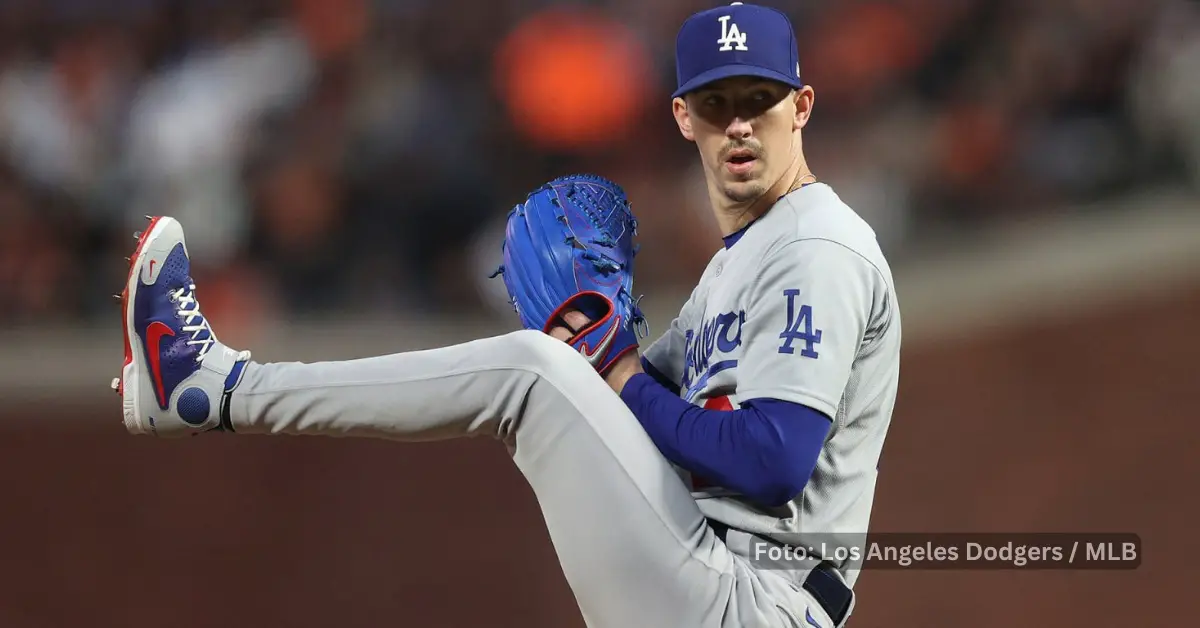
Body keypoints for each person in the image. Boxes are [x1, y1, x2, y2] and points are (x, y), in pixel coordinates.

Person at [112, 3, 900, 627]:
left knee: (532, 372)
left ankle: (211, 387)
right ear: (683, 117)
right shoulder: (737, 263)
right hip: (700, 572)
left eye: (759, 99)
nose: (738, 123)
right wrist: (605, 358)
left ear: (800, 107)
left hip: (752, 600)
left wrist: (610, 368)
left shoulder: (818, 245)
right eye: (716, 100)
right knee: (546, 371)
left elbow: (770, 458)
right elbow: (633, 405)